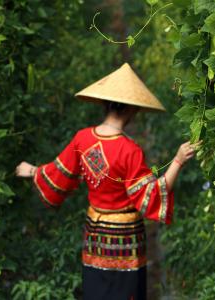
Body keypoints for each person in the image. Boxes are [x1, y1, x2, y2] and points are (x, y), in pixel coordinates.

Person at [15, 63, 200, 300]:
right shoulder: (130, 150)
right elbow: (151, 195)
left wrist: (32, 171)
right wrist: (178, 160)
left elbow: (57, 173)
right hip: (126, 239)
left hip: (95, 235)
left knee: (96, 290)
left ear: (104, 103)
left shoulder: (82, 139)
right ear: (132, 109)